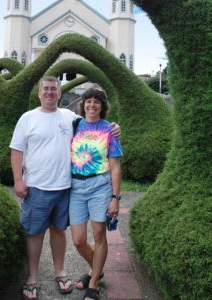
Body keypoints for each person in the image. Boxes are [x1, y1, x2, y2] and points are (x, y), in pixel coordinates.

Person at [9, 76, 120, 300]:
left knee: (61, 231)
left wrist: (115, 127)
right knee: (37, 233)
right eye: (46, 89)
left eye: (53, 89)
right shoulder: (28, 118)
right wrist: (18, 180)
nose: (49, 92)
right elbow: (16, 150)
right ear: (39, 93)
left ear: (60, 94)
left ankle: (66, 273)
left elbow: (95, 120)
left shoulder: (71, 118)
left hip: (66, 187)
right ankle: (32, 278)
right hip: (37, 187)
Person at [69, 88, 122, 300]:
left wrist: (115, 198)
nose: (92, 105)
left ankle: (93, 283)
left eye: (96, 101)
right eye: (88, 101)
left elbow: (116, 167)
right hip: (76, 187)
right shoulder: (74, 126)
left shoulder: (109, 130)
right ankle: (97, 269)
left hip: (100, 186)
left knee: (99, 235)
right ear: (83, 104)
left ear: (102, 105)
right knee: (78, 240)